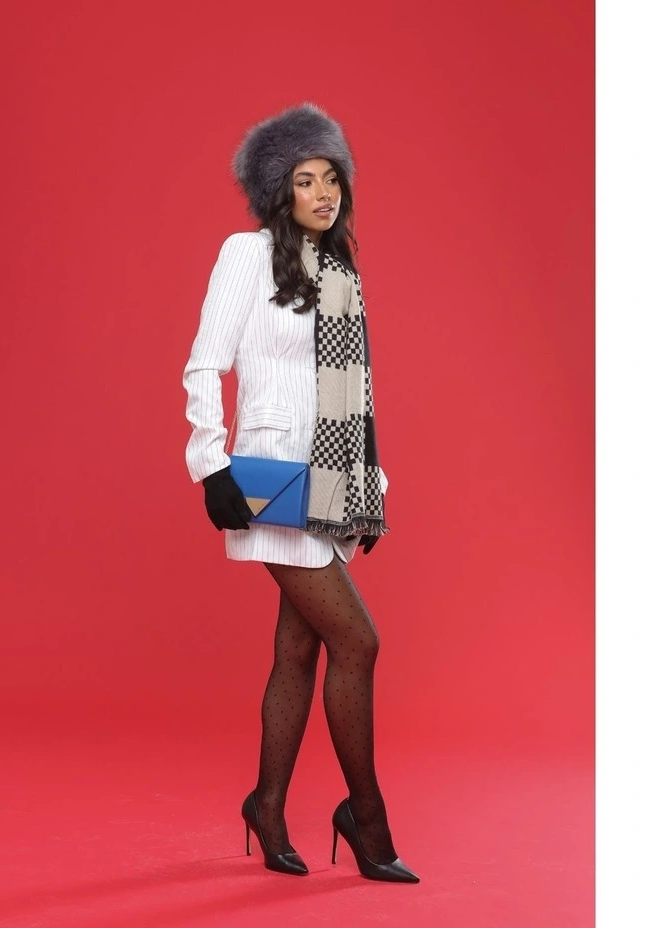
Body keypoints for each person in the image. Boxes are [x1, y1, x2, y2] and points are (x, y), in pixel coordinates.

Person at [182, 102, 420, 884]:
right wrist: (211, 464)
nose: (322, 194)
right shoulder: (246, 255)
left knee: (300, 649)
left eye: (332, 179)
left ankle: (267, 803)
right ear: (277, 191)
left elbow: (356, 397)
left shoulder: (341, 272)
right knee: (359, 642)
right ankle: (366, 815)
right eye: (305, 180)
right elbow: (205, 361)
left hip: (331, 486)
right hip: (270, 481)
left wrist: (369, 488)